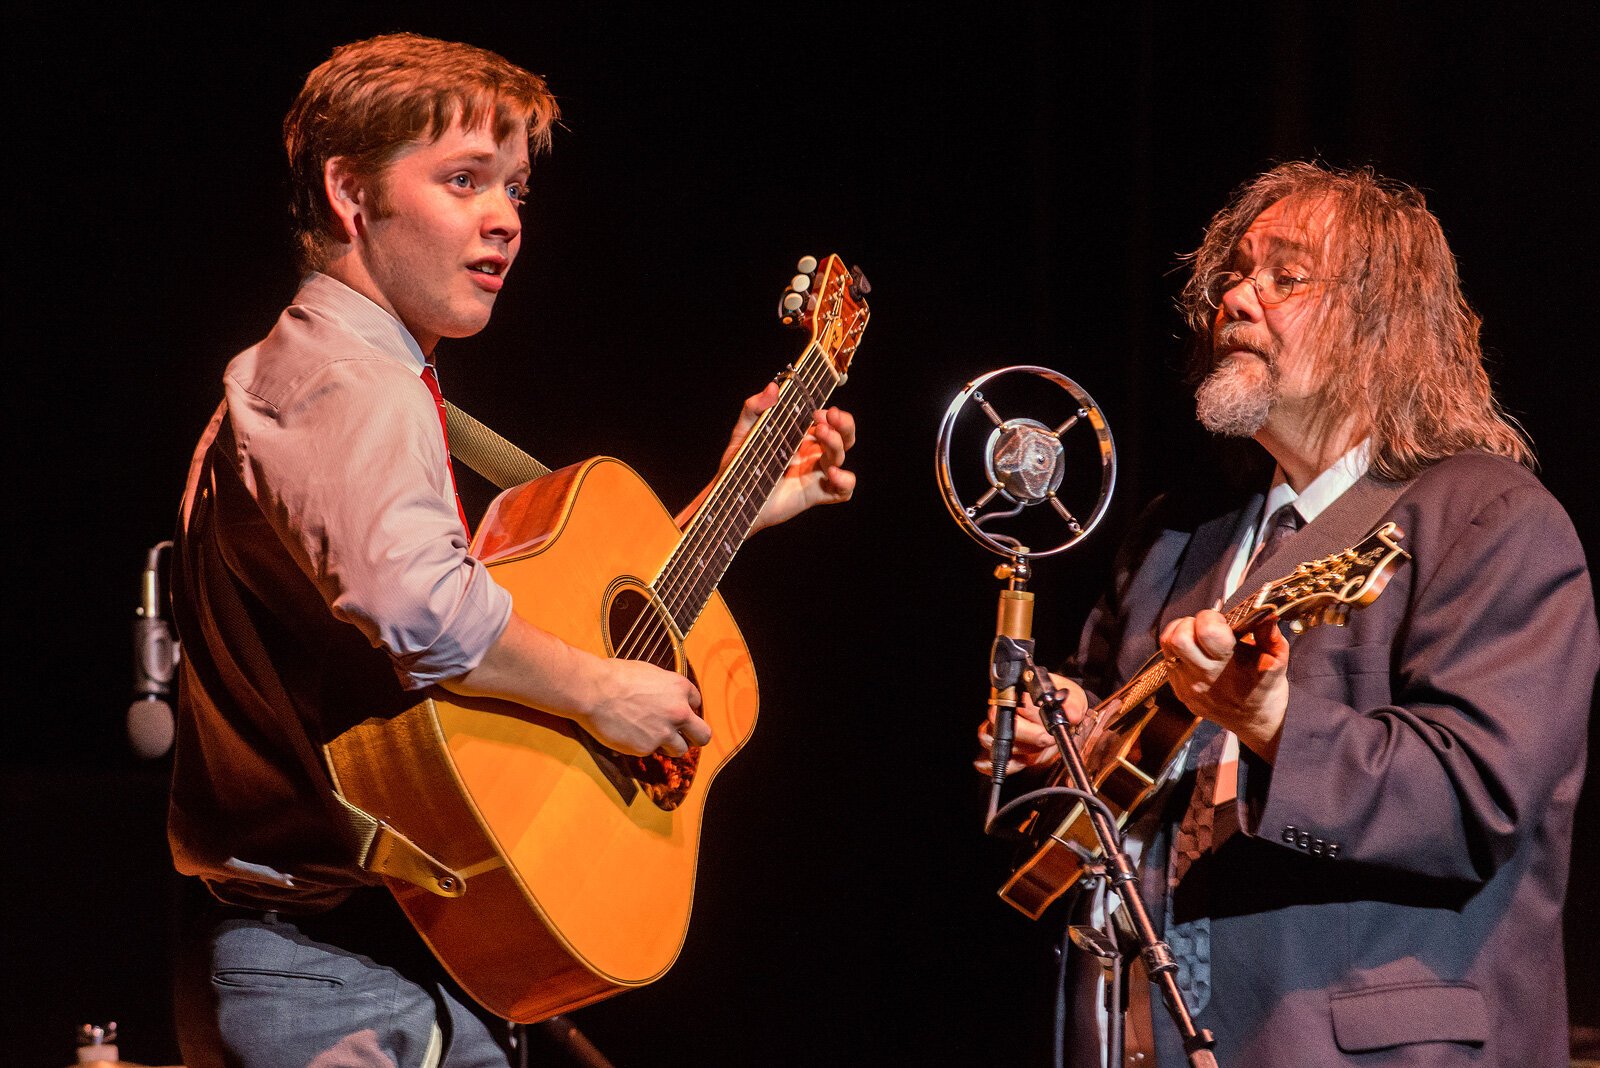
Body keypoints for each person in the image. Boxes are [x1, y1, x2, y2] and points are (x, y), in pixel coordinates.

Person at [169, 33, 857, 1068]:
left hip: (404, 960)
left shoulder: (374, 380)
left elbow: (530, 617)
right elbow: (423, 614)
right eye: (462, 181)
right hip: (333, 977)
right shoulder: (344, 379)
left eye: (516, 191)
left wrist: (745, 497)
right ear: (350, 191)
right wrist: (602, 695)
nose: (504, 220)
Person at [979, 162, 1597, 1066]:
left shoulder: (1490, 520)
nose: (1236, 296)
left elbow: (1478, 800)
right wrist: (1067, 738)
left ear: (1382, 320)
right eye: (1234, 273)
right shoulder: (1176, 538)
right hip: (1137, 1033)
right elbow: (1100, 792)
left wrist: (1274, 721)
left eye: (1285, 275)